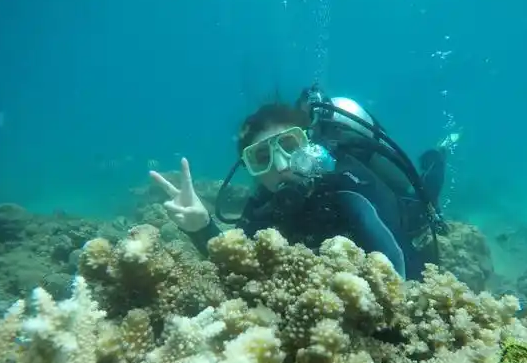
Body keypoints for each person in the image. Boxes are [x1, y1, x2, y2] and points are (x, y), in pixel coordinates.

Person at [150, 86, 453, 280]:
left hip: (403, 214)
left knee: (426, 196)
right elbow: (239, 266)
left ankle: (440, 155)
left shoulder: (348, 183)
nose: (281, 166)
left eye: (289, 145)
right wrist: (201, 227)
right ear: (251, 170)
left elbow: (404, 270)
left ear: (309, 143)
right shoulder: (263, 206)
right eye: (261, 158)